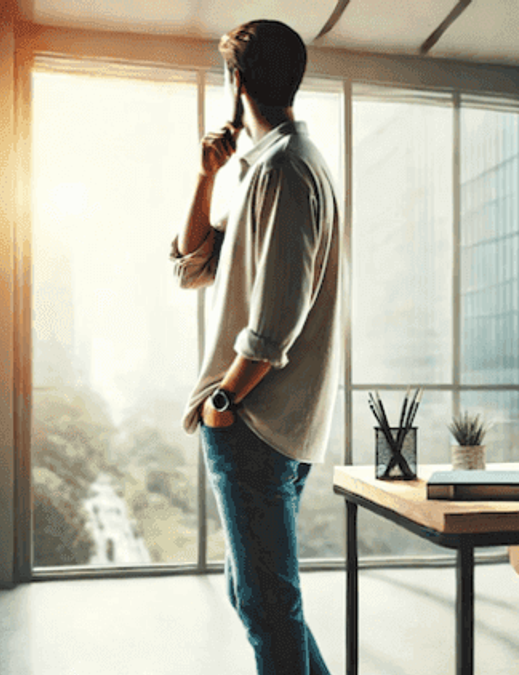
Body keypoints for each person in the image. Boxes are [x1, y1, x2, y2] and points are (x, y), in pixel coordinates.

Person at [169, 19, 339, 675]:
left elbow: (273, 326)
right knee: (259, 596)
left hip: (256, 419)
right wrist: (206, 174)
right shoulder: (262, 169)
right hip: (260, 418)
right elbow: (192, 267)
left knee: (268, 605)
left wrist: (223, 399)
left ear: (235, 81)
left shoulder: (288, 171)